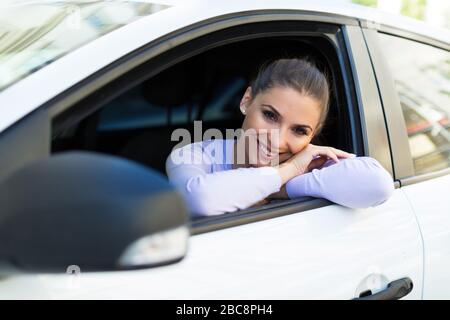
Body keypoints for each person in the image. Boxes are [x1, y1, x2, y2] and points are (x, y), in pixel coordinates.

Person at [166, 58, 394, 217]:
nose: (276, 141)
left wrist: (278, 188)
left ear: (312, 136)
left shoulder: (313, 163)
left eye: (299, 130)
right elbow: (197, 199)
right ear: (246, 101)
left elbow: (378, 184)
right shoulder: (194, 154)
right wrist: (288, 171)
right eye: (270, 115)